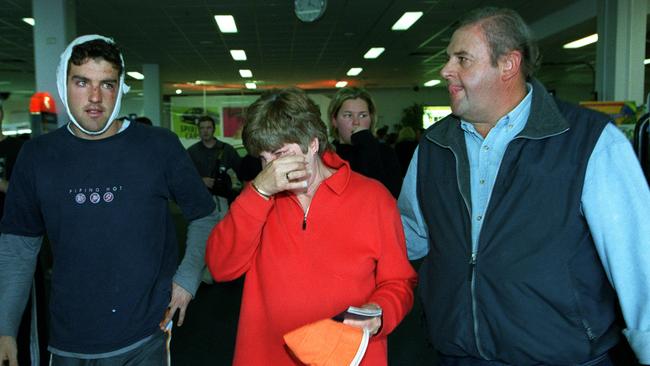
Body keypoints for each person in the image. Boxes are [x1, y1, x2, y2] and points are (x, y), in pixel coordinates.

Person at [398, 7, 650, 366]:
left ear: (508, 65)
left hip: (560, 356)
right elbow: (406, 238)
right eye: (447, 58)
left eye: (462, 59)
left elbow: (638, 262)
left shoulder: (589, 142)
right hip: (457, 354)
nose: (445, 70)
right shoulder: (434, 147)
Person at [0, 34, 216, 366]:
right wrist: (5, 328)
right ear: (64, 83)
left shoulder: (158, 146)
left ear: (120, 88)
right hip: (69, 339)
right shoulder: (38, 155)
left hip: (144, 336)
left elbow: (204, 214)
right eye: (82, 82)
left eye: (108, 84)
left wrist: (188, 278)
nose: (95, 97)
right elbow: (19, 247)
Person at [205, 87, 416, 365]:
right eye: (264, 159)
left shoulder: (373, 198)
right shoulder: (257, 198)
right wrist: (258, 193)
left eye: (280, 154)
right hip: (267, 355)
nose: (271, 169)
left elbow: (398, 281)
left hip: (347, 354)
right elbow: (221, 268)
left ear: (313, 144)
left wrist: (378, 312)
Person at [328, 87, 402, 198]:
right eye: (348, 115)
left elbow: (389, 195)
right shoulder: (327, 155)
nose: (356, 122)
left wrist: (368, 146)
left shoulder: (385, 153)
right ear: (334, 120)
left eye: (363, 115)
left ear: (371, 119)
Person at [187, 115, 241, 208]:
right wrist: (201, 181)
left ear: (214, 130)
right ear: (198, 130)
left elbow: (241, 172)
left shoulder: (227, 150)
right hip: (199, 201)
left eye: (209, 128)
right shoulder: (191, 152)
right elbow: (184, 176)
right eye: (202, 128)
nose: (205, 131)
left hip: (225, 200)